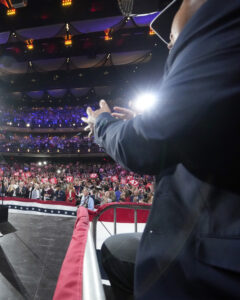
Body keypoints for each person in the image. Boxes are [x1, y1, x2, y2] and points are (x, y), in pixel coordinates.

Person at [81, 0, 240, 299]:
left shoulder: (221, 13)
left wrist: (101, 123)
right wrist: (148, 123)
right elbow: (193, 134)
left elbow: (144, 145)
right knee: (117, 249)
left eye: (171, 37)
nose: (168, 45)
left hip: (212, 262)